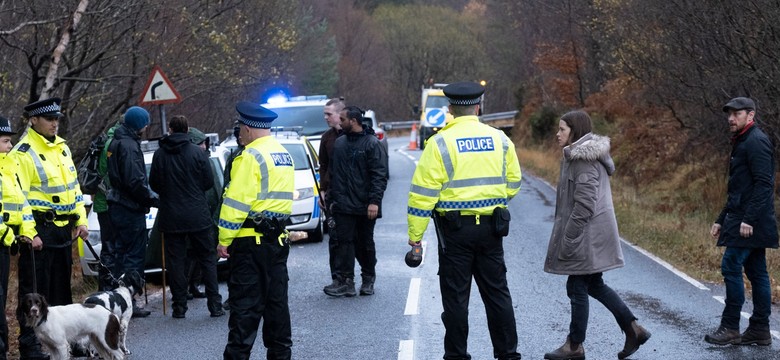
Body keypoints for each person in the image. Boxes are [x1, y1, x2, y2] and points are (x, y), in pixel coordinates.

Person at [406, 82, 522, 360]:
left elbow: (422, 195)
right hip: (492, 229)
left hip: (455, 233)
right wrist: (491, 201)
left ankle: (457, 356)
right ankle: (508, 355)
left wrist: (416, 237)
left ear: (450, 110)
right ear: (479, 106)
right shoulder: (501, 139)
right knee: (497, 295)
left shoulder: (439, 143)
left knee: (456, 299)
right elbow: (514, 183)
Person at [543, 110, 651, 360]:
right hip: (591, 234)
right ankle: (633, 329)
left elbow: (584, 204)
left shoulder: (582, 159)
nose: (557, 134)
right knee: (594, 284)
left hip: (586, 236)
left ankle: (574, 345)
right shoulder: (578, 156)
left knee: (577, 285)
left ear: (575, 132)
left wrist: (569, 238)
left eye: (562, 129)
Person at [218, 101, 294, 360]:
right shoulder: (283, 154)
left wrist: (223, 239)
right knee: (277, 313)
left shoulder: (250, 156)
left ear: (248, 128)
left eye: (240, 128)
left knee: (244, 315)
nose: (238, 133)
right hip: (277, 244)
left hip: (250, 246)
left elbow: (236, 203)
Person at [14, 97, 89, 359]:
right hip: (38, 230)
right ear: (33, 120)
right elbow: (17, 196)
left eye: (57, 119)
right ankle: (30, 344)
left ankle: (68, 340)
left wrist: (81, 219)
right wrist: (29, 232)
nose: (54, 123)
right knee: (34, 289)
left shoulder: (62, 148)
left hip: (62, 231)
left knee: (61, 288)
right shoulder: (23, 153)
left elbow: (75, 189)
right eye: (49, 119)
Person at [705, 97, 777, 346]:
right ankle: (759, 329)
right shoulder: (743, 141)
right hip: (744, 218)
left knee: (731, 266)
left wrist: (748, 219)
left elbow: (764, 184)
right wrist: (721, 219)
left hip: (750, 221)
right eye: (729, 114)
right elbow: (740, 189)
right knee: (757, 272)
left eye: (736, 114)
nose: (730, 118)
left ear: (751, 115)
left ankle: (730, 326)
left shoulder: (756, 142)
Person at [149, 117, 222, 318]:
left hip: (171, 215)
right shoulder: (198, 154)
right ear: (188, 130)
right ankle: (214, 304)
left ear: (170, 129)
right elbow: (208, 182)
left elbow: (154, 183)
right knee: (207, 258)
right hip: (198, 214)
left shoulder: (160, 154)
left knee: (176, 262)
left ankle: (179, 307)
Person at [323, 105, 388, 297]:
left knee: (364, 243)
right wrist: (329, 197)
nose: (340, 123)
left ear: (353, 121)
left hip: (365, 205)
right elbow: (333, 173)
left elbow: (379, 175)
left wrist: (374, 201)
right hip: (342, 205)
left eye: (343, 119)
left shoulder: (371, 144)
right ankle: (346, 281)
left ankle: (368, 279)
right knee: (344, 243)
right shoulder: (340, 143)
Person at [106, 106, 158, 318]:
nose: (146, 127)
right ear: (138, 124)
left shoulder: (117, 141)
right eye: (145, 123)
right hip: (129, 207)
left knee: (121, 254)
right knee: (132, 257)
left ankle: (119, 300)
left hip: (119, 205)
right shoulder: (128, 145)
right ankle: (129, 301)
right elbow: (134, 181)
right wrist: (153, 199)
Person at [0, 115, 37, 360]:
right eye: (4, 141)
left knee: (2, 297)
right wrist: (8, 235)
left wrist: (28, 231)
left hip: (8, 242)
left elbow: (22, 202)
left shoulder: (10, 167)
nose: (9, 145)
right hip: (4, 239)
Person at [318, 97, 344, 292]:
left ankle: (361, 277)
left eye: (329, 114)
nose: (326, 117)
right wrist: (322, 192)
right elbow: (323, 166)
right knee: (334, 238)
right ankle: (337, 278)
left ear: (340, 114)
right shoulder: (326, 138)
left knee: (357, 240)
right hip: (332, 195)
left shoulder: (352, 135)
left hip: (352, 195)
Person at [93, 122, 120, 291]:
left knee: (109, 248)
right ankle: (108, 290)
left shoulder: (109, 140)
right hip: (108, 204)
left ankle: (107, 289)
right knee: (110, 250)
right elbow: (109, 175)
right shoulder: (112, 144)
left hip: (104, 204)